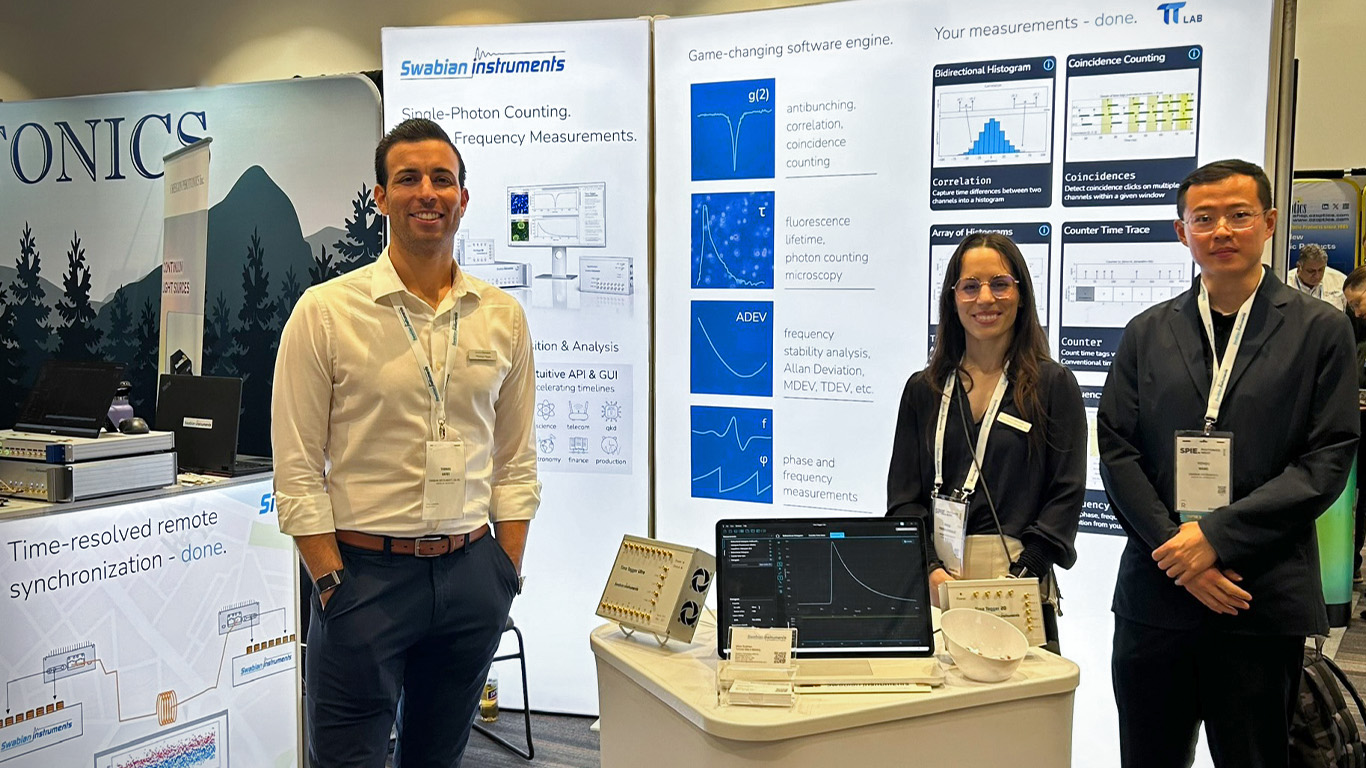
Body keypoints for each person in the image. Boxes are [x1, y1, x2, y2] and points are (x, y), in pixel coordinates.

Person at [272, 118, 540, 768]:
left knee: (437, 759)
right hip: (364, 579)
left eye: (442, 179)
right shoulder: (327, 312)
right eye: (409, 179)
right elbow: (298, 468)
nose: (428, 192)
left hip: (471, 573)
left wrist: (502, 571)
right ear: (381, 197)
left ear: (463, 198)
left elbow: (516, 460)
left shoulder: (502, 316)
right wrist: (331, 582)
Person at [1099, 159, 1359, 768]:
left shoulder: (1321, 330)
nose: (1221, 231)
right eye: (1204, 218)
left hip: (1256, 597)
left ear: (1268, 223)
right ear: (1180, 232)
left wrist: (1214, 539)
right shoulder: (1146, 331)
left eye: (1239, 216)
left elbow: (1325, 460)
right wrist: (1180, 552)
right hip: (1156, 595)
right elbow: (1117, 447)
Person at [886, 232, 1086, 651]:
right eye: (970, 286)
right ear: (952, 298)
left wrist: (1024, 574)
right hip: (939, 583)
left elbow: (1065, 495)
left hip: (1019, 582)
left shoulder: (1053, 386)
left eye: (999, 284)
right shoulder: (924, 390)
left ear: (1021, 293)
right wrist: (929, 568)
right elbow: (904, 499)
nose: (985, 299)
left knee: (1018, 714)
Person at [1288, 242, 1346, 311]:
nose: (1317, 276)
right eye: (1311, 271)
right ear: (1299, 267)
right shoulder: (1285, 282)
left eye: (1321, 270)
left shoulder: (1339, 280)